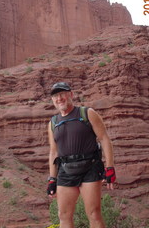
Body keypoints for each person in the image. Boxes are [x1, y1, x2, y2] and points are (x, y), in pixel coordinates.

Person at [47, 82, 116, 228]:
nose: (59, 98)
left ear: (70, 94)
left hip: (89, 169)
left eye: (62, 94)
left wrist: (110, 168)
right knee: (63, 216)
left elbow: (104, 138)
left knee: (94, 214)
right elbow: (54, 152)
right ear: (52, 100)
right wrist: (52, 179)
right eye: (55, 96)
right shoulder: (53, 123)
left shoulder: (87, 113)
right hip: (66, 171)